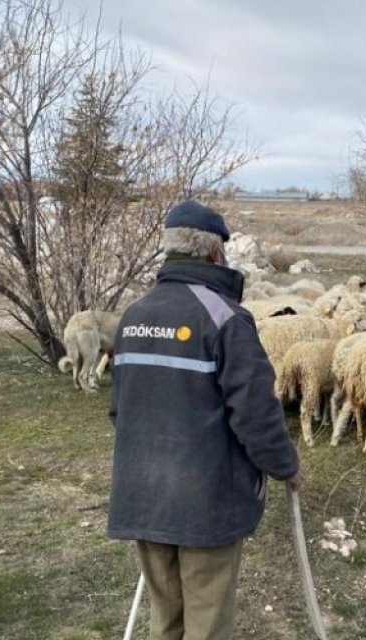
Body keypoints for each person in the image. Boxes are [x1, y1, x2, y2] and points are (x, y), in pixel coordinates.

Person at [107, 200, 302, 640]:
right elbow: (255, 413)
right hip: (205, 503)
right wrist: (285, 466)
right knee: (207, 621)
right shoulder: (226, 319)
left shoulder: (134, 316)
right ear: (215, 253)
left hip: (144, 495)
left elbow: (120, 409)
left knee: (167, 616)